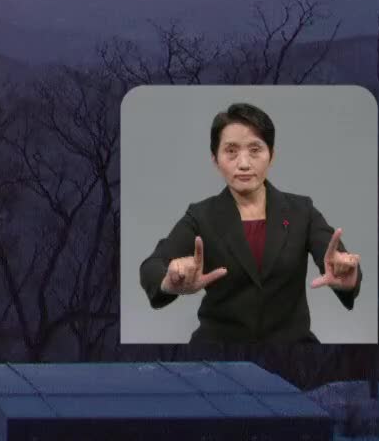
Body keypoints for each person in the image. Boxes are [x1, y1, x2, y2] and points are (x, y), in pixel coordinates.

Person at [137, 102, 361, 344]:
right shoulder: (201, 216)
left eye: (255, 150)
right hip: (217, 348)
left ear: (271, 156)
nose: (243, 163)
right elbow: (151, 266)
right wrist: (168, 282)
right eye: (231, 151)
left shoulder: (301, 211)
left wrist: (347, 278)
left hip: (293, 348)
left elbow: (341, 262)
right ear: (215, 159)